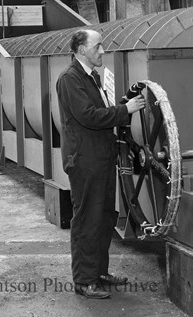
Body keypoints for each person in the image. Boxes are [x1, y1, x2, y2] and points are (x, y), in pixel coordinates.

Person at [56, 29, 146, 299]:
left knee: (105, 216)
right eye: (97, 47)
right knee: (87, 219)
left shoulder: (90, 77)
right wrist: (125, 111)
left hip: (101, 157)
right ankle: (84, 281)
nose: (102, 51)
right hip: (85, 161)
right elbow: (88, 116)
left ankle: (99, 273)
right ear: (81, 50)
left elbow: (100, 109)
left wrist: (120, 107)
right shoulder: (70, 79)